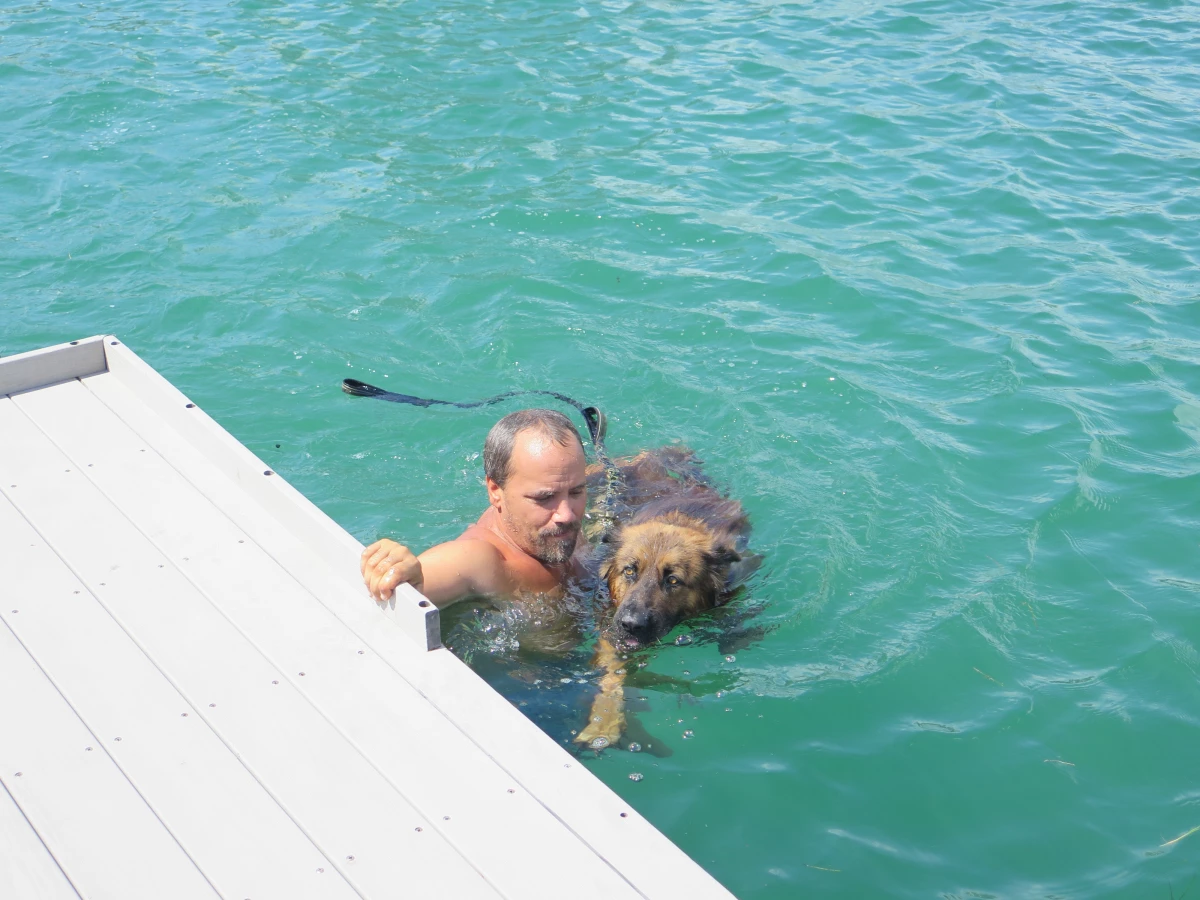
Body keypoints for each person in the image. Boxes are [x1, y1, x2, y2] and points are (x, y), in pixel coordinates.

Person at [360, 408, 588, 607]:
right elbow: (430, 576)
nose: (566, 514)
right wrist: (407, 573)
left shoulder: (556, 518)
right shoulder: (482, 560)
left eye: (577, 491)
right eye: (544, 498)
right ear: (495, 491)